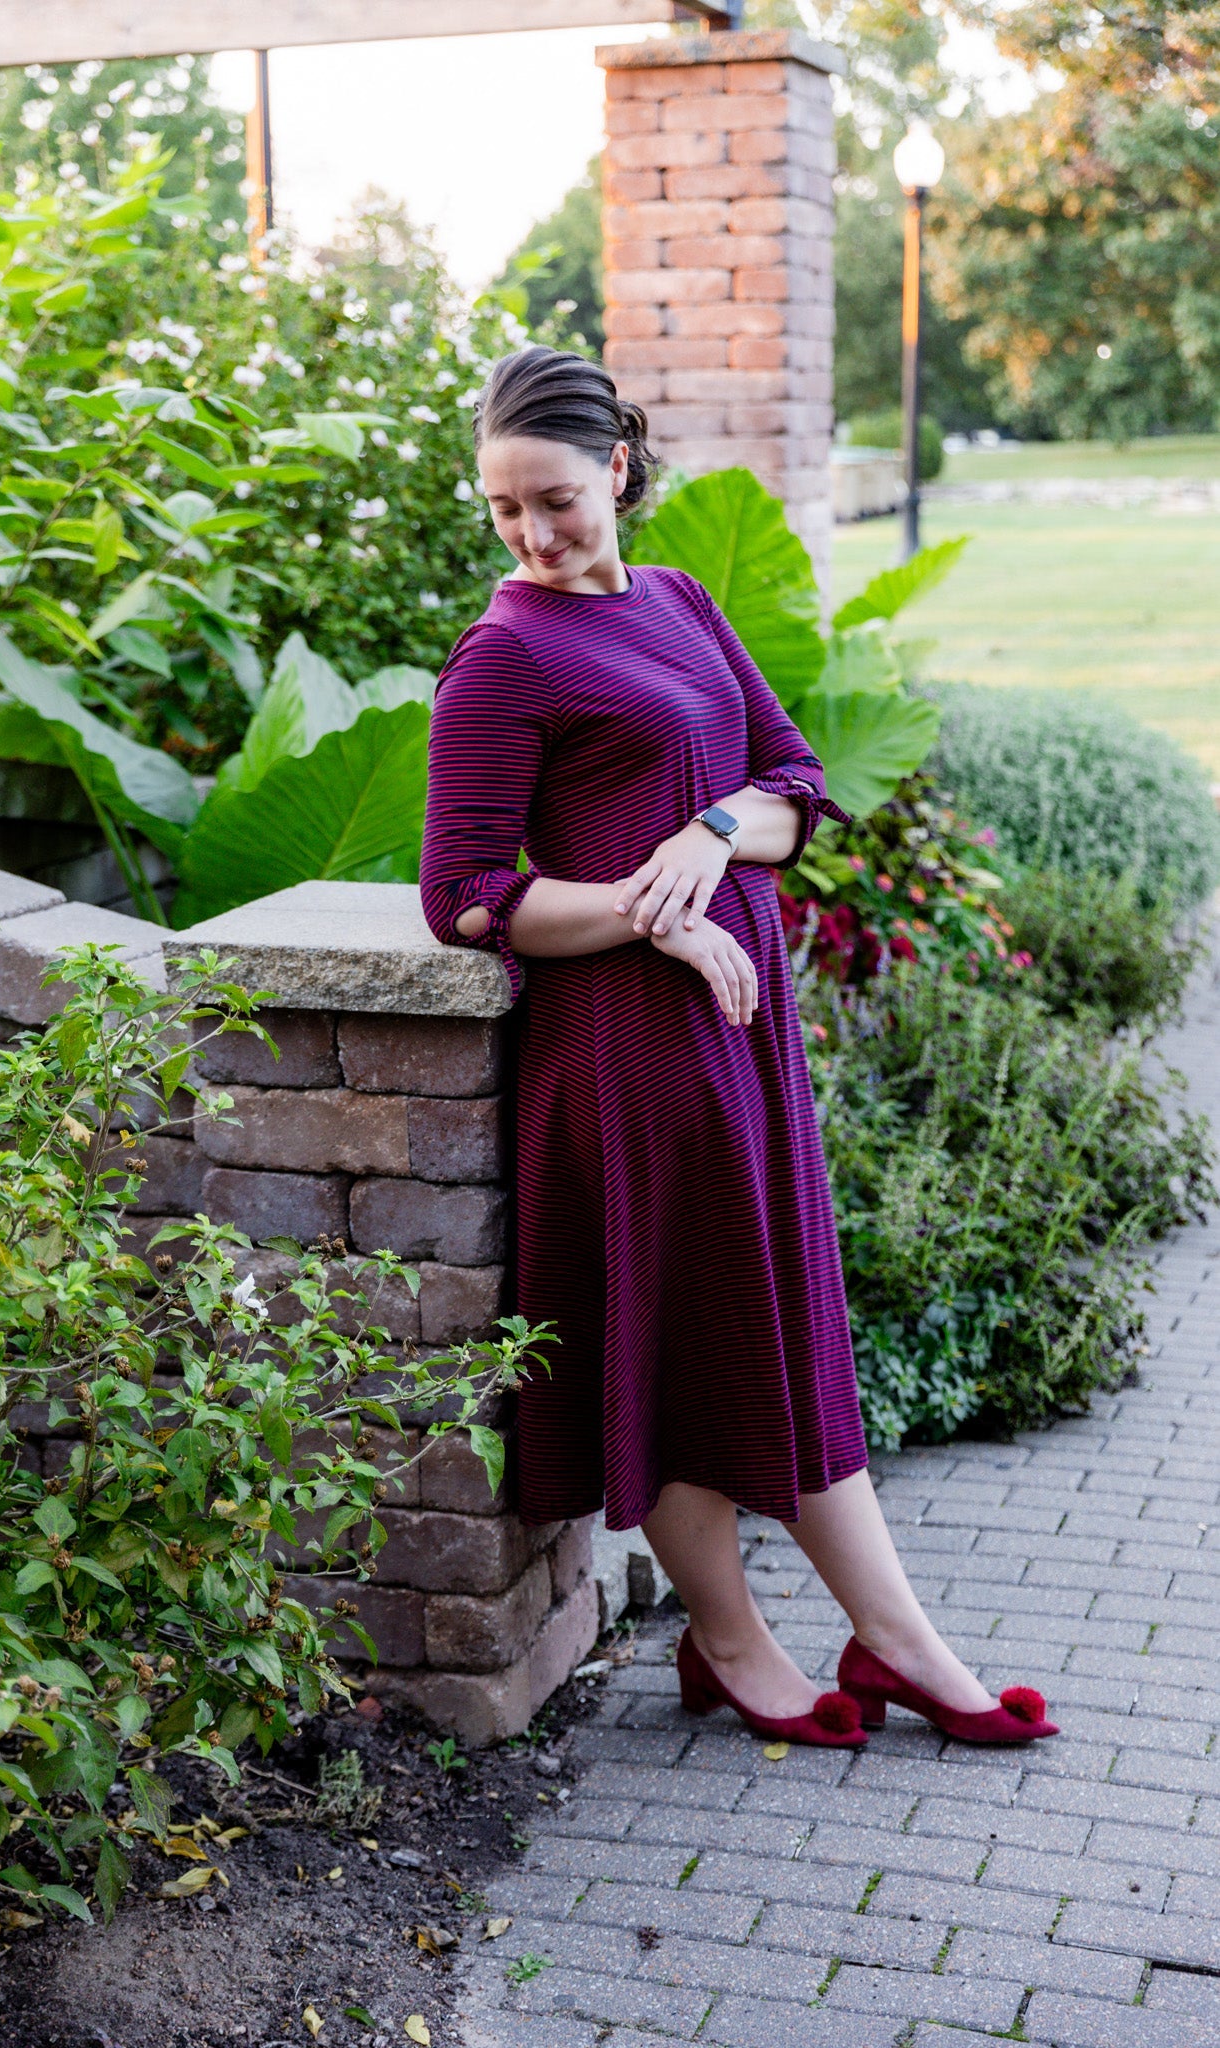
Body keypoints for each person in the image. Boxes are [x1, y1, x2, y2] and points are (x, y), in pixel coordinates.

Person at [419, 345, 1056, 1749]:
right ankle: (770, 1639)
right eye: (505, 510)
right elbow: (464, 892)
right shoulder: (501, 654)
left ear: (620, 472)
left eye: (558, 501)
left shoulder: (682, 601)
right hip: (621, 1056)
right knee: (682, 1329)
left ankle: (854, 1640)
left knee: (763, 1325)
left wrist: (702, 837)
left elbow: (793, 784)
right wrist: (652, 918)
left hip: (735, 1038)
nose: (533, 535)